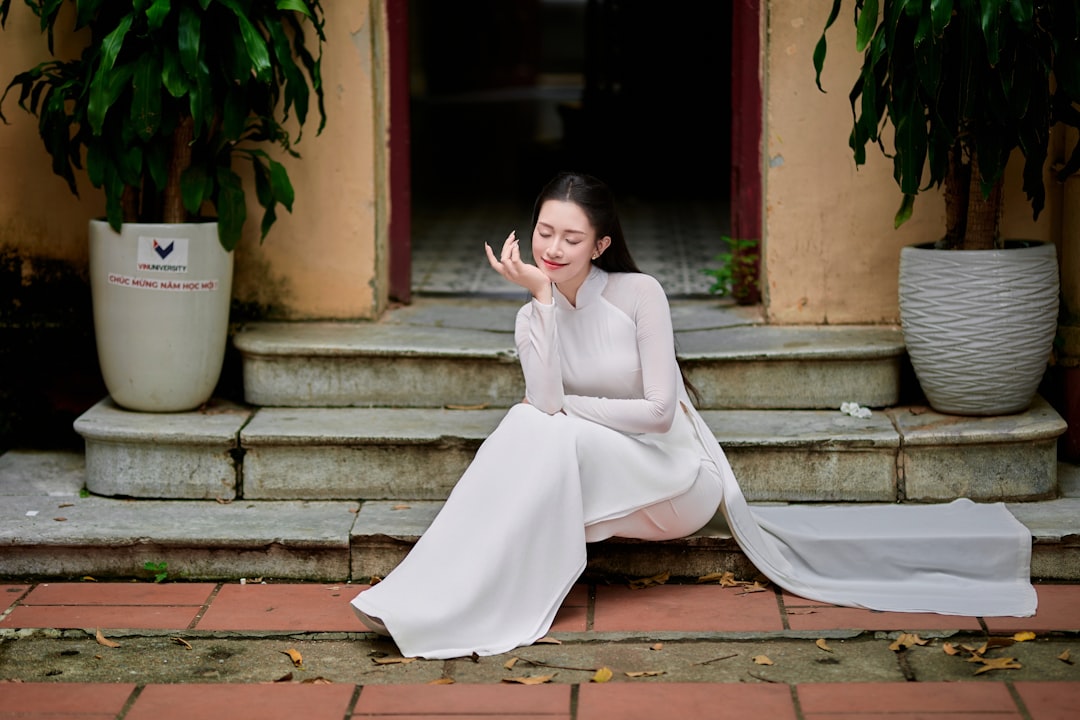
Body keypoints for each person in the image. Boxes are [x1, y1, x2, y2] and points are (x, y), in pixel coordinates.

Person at [350, 172, 1036, 660]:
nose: (551, 249)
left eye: (570, 237)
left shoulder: (641, 294)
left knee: (539, 429)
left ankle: (454, 599)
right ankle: (434, 597)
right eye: (542, 233)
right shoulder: (537, 311)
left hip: (675, 483)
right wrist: (543, 307)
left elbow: (653, 415)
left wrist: (566, 408)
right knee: (533, 432)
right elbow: (544, 405)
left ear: (602, 246)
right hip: (599, 475)